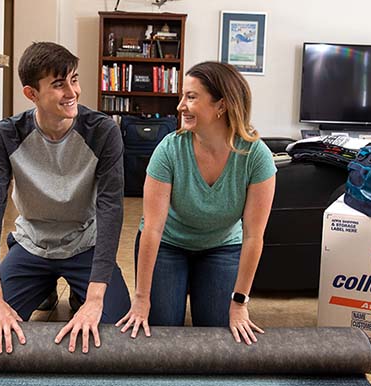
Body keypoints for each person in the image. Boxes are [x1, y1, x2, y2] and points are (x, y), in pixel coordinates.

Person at [0, 42, 130, 355]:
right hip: (33, 244)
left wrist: (95, 298)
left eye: (73, 80)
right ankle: (43, 286)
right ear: (31, 93)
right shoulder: (6, 135)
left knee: (113, 333)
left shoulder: (103, 132)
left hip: (85, 243)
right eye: (59, 85)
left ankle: (78, 292)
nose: (71, 91)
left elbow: (110, 209)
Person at [116, 61, 276, 345]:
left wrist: (239, 303)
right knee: (162, 331)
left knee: (219, 334)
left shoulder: (256, 155)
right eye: (183, 96)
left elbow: (254, 237)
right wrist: (141, 299)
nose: (180, 106)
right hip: (168, 243)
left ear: (221, 105)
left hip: (221, 245)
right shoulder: (169, 149)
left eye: (191, 97)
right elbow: (152, 229)